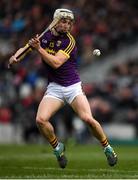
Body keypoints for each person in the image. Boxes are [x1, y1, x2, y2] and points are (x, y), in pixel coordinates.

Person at [8, 8, 117, 169]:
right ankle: (58, 148)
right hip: (55, 88)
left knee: (88, 119)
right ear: (55, 21)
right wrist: (15, 56)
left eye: (69, 23)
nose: (66, 25)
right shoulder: (44, 36)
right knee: (40, 120)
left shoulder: (69, 42)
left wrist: (39, 49)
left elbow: (56, 63)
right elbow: (25, 49)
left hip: (72, 87)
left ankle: (107, 147)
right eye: (63, 21)